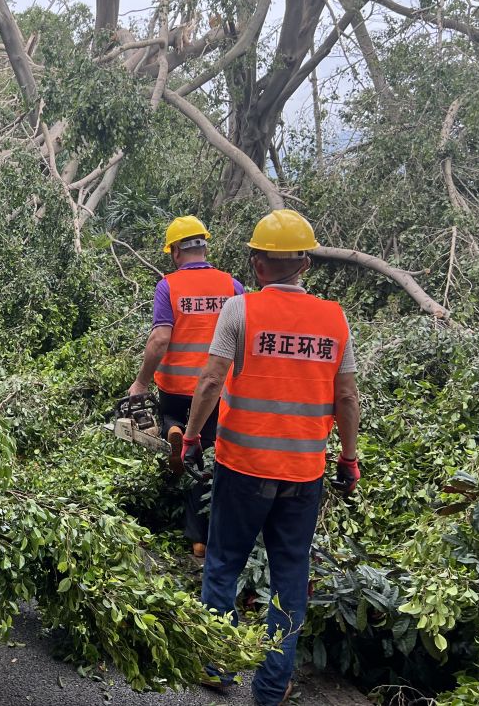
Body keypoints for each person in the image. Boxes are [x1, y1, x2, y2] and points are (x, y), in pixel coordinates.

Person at [180, 209, 361, 706]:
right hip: (304, 474)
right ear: (304, 262)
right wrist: (348, 459)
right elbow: (346, 398)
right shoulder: (334, 318)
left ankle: (217, 665)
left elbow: (212, 380)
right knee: (289, 575)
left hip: (241, 468)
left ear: (257, 263)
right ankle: (273, 684)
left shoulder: (241, 311)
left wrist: (193, 437)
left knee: (222, 565)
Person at [127, 215, 243, 557]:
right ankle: (203, 535)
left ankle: (173, 429)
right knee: (207, 455)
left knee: (177, 429)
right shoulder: (232, 287)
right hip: (218, 390)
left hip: (176, 387)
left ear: (176, 251)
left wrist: (140, 381)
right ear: (205, 245)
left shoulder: (169, 286)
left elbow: (161, 339)